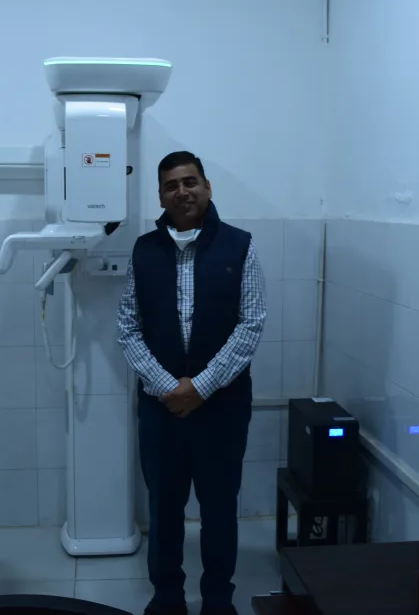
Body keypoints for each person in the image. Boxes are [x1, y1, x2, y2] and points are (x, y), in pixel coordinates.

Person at [117, 151, 267, 615]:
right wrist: (168, 387)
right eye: (170, 185)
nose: (181, 192)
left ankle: (218, 598)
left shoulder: (240, 247)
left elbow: (251, 324)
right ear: (160, 195)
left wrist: (200, 387)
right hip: (161, 410)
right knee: (163, 509)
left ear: (207, 187)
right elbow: (127, 327)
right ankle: (167, 597)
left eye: (190, 182)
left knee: (219, 507)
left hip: (222, 408)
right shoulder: (144, 251)